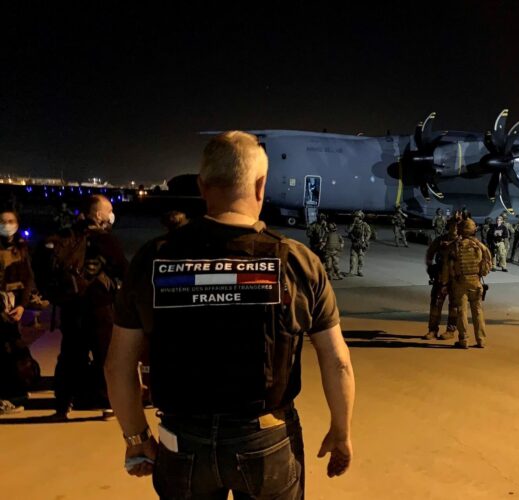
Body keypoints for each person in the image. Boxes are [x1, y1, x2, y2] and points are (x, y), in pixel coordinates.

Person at [105, 131, 354, 498]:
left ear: (203, 186)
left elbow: (117, 366)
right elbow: (337, 361)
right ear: (260, 185)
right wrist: (341, 430)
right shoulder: (297, 261)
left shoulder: (152, 258)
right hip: (266, 437)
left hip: (182, 441)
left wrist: (136, 435)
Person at [39, 195, 128, 420]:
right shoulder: (105, 240)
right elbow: (123, 269)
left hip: (71, 306)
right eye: (108, 210)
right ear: (98, 214)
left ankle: (62, 405)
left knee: (69, 355)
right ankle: (107, 403)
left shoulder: (66, 235)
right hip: (99, 305)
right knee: (104, 356)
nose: (111, 214)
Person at [0, 210, 36, 414]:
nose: (7, 225)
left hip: (14, 306)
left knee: (14, 349)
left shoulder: (21, 248)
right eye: (3, 222)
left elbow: (28, 278)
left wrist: (22, 305)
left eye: (10, 221)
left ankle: (15, 390)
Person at [442, 219, 492, 349]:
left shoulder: (455, 246)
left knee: (462, 312)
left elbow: (448, 266)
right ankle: (481, 340)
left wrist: (445, 282)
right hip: (476, 282)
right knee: (478, 312)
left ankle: (464, 340)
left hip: (460, 283)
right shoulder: (480, 246)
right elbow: (487, 266)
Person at [423, 221, 459, 340]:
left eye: (457, 226)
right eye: (453, 226)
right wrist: (430, 267)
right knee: (436, 303)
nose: (454, 229)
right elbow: (430, 253)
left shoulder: (463, 242)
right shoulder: (440, 240)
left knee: (454, 305)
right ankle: (432, 330)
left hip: (456, 278)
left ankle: (450, 330)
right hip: (441, 276)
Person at [347, 210, 371, 276]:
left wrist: (365, 241)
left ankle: (359, 271)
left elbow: (369, 233)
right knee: (352, 258)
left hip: (361, 243)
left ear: (360, 217)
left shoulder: (364, 225)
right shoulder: (352, 224)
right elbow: (348, 231)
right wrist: (353, 224)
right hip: (354, 243)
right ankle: (351, 271)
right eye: (354, 217)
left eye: (356, 217)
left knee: (360, 259)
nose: (355, 218)